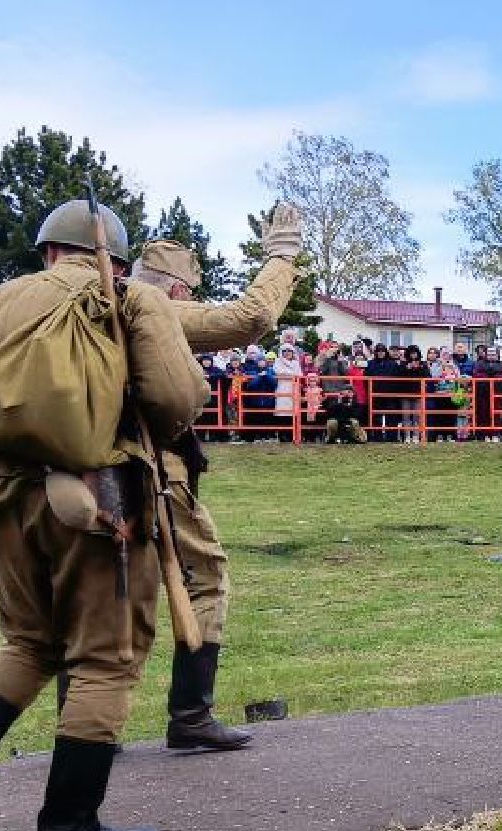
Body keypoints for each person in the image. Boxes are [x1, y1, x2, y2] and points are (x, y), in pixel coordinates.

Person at [0, 199, 209, 831]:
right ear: (118, 260)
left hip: (0, 500)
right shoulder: (129, 301)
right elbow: (178, 400)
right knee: (106, 660)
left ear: (46, 252)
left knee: (28, 644)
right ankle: (69, 830)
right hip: (100, 507)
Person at [126, 206, 304, 751]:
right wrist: (282, 257)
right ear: (177, 291)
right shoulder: (152, 309)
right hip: (149, 470)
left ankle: (87, 726)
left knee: (106, 594)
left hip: (82, 471)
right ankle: (191, 714)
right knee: (205, 577)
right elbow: (250, 317)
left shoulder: (87, 310)